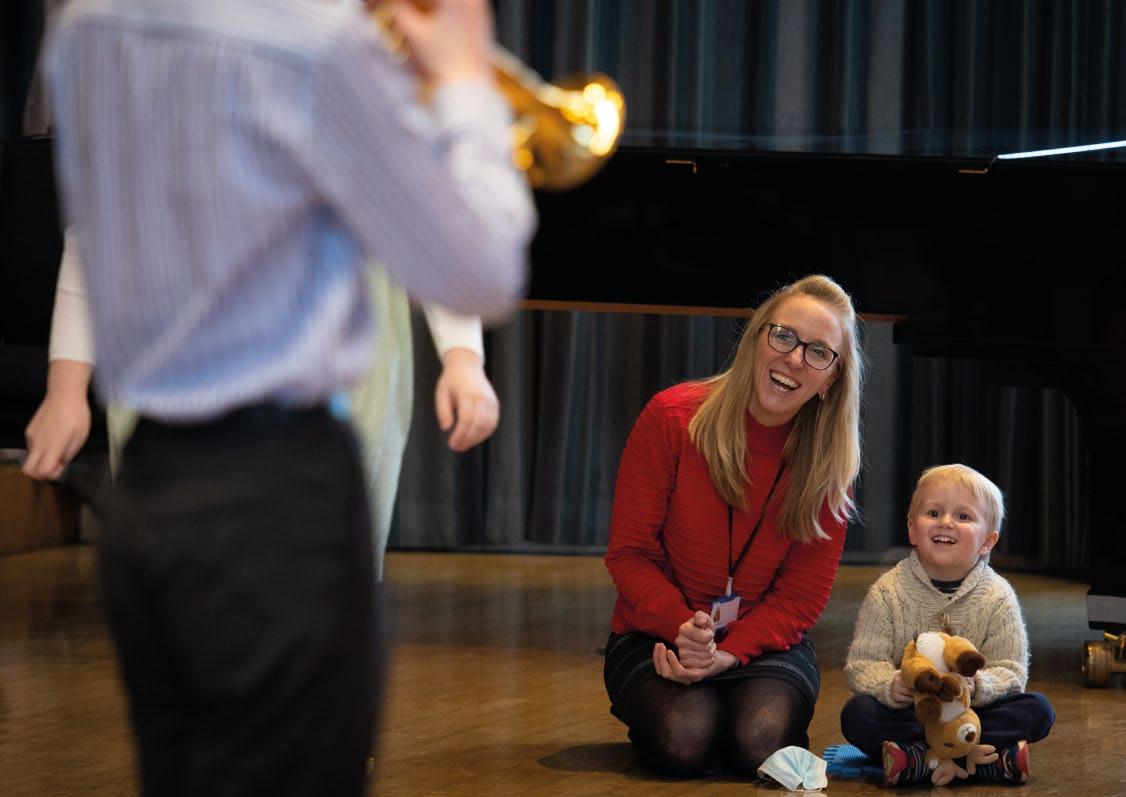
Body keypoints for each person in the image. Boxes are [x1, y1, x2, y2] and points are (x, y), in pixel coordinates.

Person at [42, 0, 535, 794]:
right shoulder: (317, 44)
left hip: (148, 486)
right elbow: (479, 267)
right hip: (278, 494)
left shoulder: (84, 28)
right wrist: (464, 86)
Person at [23, 228, 501, 581]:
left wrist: (463, 357)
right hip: (178, 346)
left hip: (332, 350)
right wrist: (66, 387)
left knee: (323, 574)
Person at [602, 274, 864, 777]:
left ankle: (728, 706)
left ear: (831, 379)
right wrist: (682, 628)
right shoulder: (671, 418)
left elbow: (800, 599)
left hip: (764, 641)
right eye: (784, 336)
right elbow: (629, 554)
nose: (794, 359)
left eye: (818, 352)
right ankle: (707, 713)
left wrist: (728, 655)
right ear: (756, 338)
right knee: (684, 740)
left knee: (761, 743)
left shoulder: (830, 466)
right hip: (657, 632)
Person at [841, 464, 1056, 786]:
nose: (945, 522)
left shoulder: (998, 596)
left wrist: (978, 685)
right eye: (934, 512)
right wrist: (890, 685)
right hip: (914, 713)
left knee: (1039, 710)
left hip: (972, 715)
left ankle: (919, 759)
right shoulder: (888, 591)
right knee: (858, 714)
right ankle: (983, 760)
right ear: (913, 530)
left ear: (987, 541)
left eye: (963, 516)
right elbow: (863, 663)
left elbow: (1011, 672)